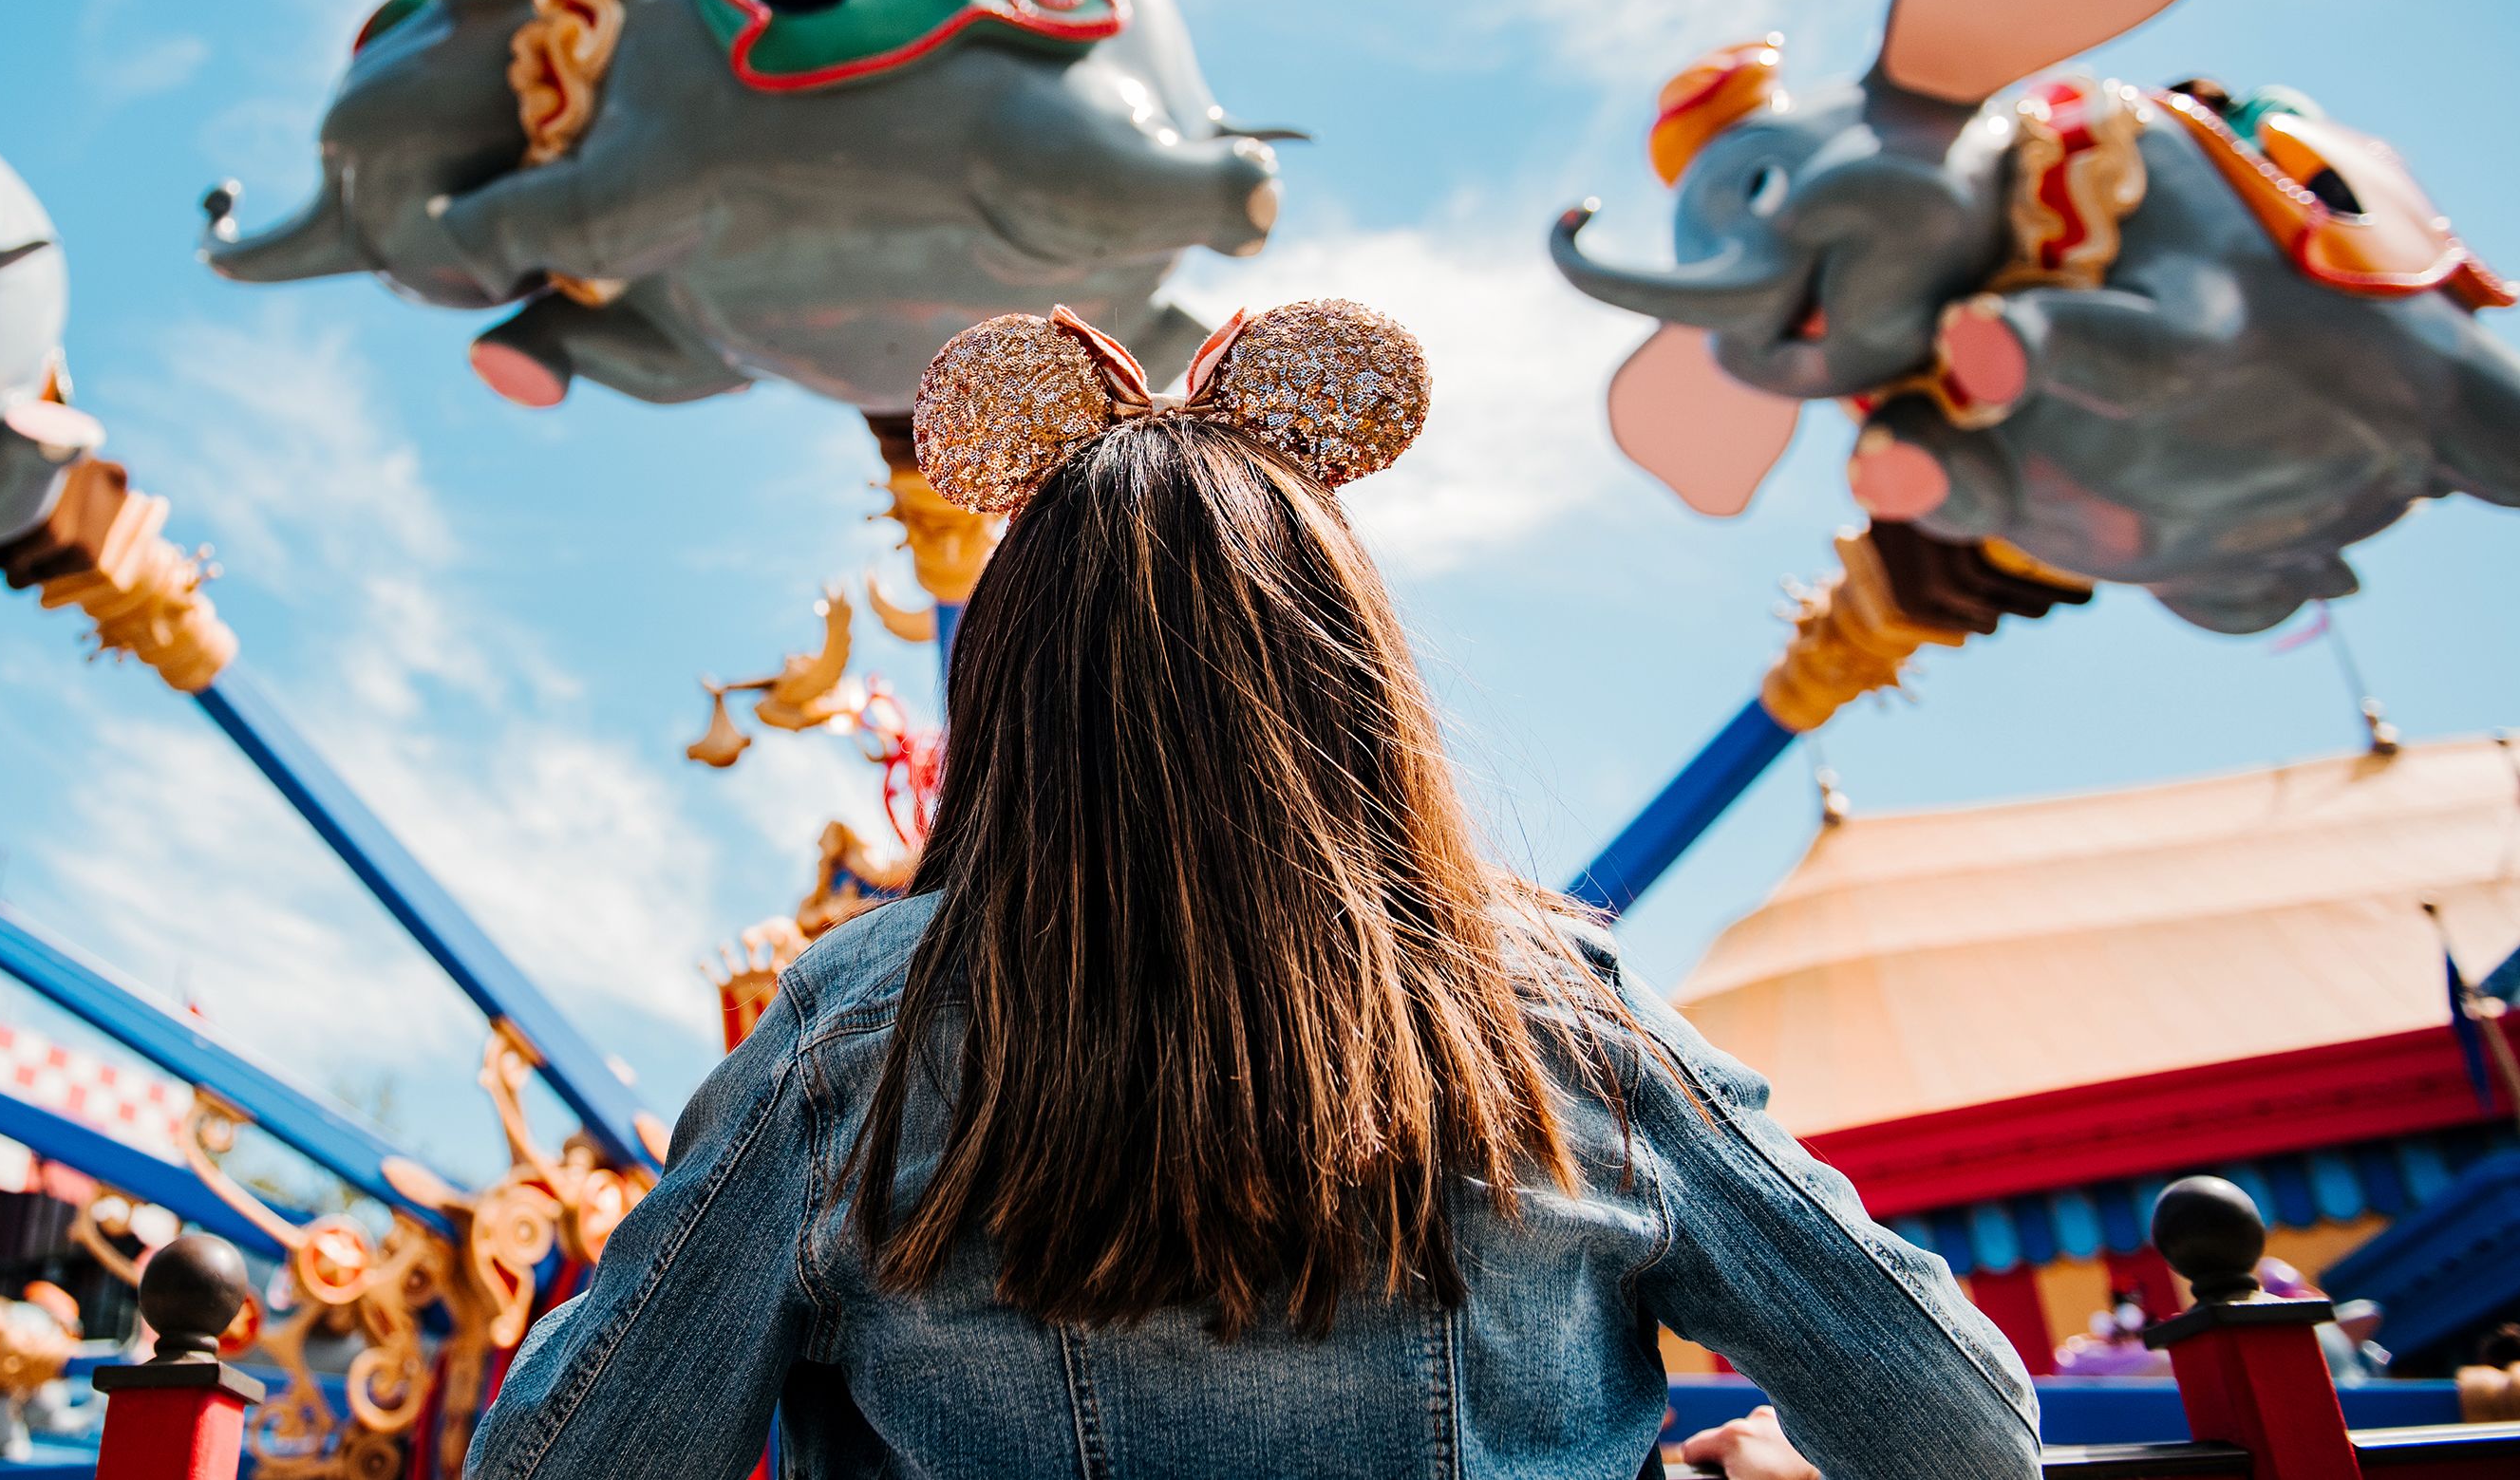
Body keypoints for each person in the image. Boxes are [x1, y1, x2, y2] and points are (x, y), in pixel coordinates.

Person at [468, 302, 2041, 1480]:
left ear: (1007, 703)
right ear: (1356, 686)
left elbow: (563, 1463)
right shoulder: (1563, 1024)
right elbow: (1961, 1432)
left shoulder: (854, 1041)